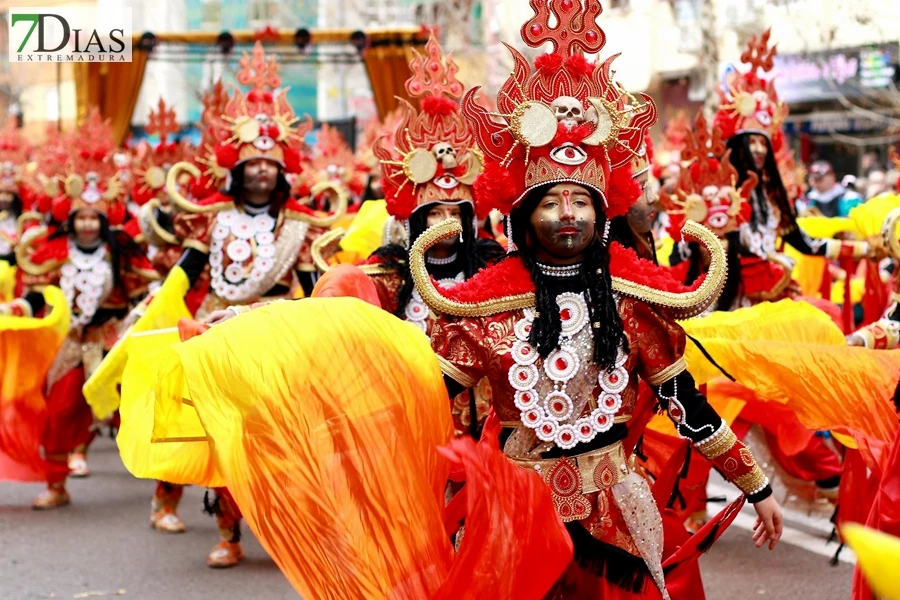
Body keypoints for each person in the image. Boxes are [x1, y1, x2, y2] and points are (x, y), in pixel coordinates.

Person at [417, 6, 782, 597]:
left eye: (581, 201)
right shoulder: (481, 309)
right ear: (522, 215)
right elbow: (428, 405)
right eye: (550, 201)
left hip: (614, 510)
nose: (567, 214)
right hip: (515, 516)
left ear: (602, 211)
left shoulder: (634, 303)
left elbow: (685, 405)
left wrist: (756, 485)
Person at [157, 42, 347, 567]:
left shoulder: (301, 226)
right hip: (217, 332)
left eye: (270, 164)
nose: (261, 172)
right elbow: (185, 274)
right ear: (237, 170)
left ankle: (290, 528)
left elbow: (314, 286)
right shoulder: (212, 219)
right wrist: (157, 310)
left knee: (281, 435)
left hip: (274, 337)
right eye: (253, 164)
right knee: (222, 434)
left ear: (282, 171)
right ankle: (229, 534)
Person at [3, 109, 156, 508]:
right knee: (59, 410)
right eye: (81, 216)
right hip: (72, 343)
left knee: (136, 411)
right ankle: (56, 484)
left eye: (94, 217)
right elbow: (41, 289)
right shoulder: (56, 249)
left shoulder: (121, 250)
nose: (88, 224)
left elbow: (144, 291)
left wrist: (145, 317)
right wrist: (20, 305)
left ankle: (165, 490)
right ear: (69, 218)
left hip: (113, 340)